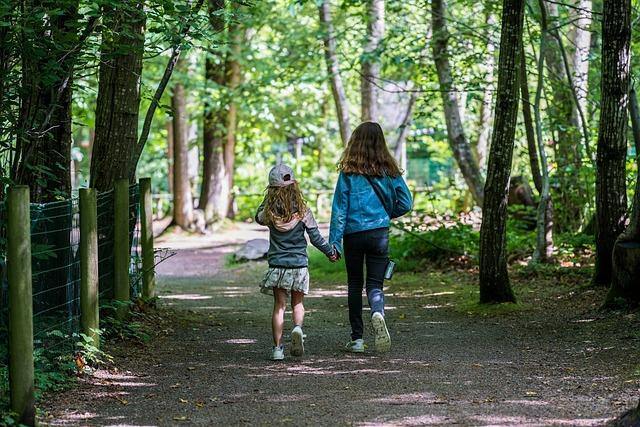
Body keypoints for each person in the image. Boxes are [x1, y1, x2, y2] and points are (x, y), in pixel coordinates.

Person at [329, 121, 413, 353]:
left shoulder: (347, 174)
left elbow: (339, 211)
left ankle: (357, 339)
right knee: (375, 285)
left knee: (355, 284)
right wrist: (386, 215)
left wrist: (334, 243)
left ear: (355, 143)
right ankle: (378, 312)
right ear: (381, 143)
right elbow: (406, 202)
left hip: (353, 235)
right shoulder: (389, 171)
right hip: (379, 234)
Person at [256, 164, 337, 361]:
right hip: (299, 266)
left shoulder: (268, 212)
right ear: (294, 186)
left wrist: (268, 199)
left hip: (277, 266)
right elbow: (316, 238)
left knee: (279, 306)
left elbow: (257, 218)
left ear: (271, 189)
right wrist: (330, 252)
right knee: (298, 303)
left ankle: (277, 349)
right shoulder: (303, 211)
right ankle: (298, 329)